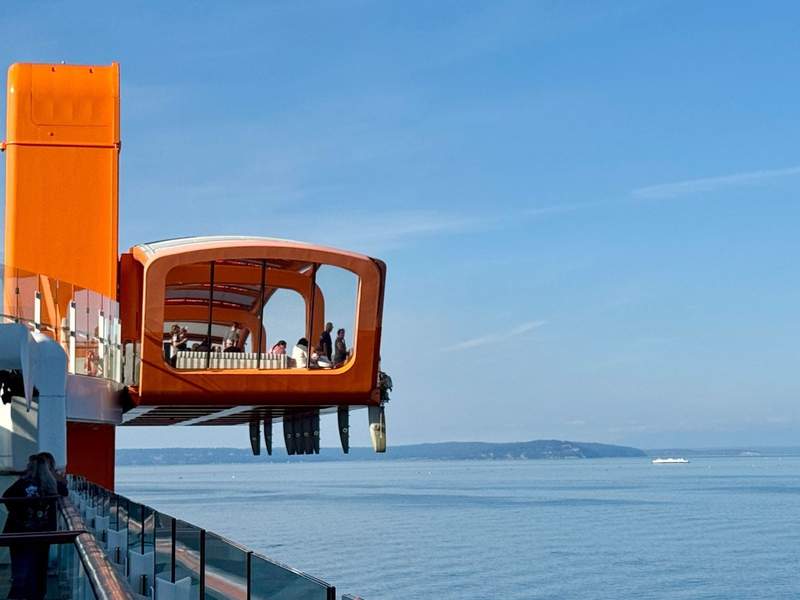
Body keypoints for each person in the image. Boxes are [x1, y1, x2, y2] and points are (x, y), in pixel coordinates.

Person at [3, 454, 59, 599]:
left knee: (20, 568)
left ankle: (18, 594)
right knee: (39, 567)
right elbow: (62, 492)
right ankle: (37, 594)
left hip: (19, 533)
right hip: (42, 533)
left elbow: (6, 497)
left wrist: (19, 515)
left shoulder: (22, 484)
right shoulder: (50, 485)